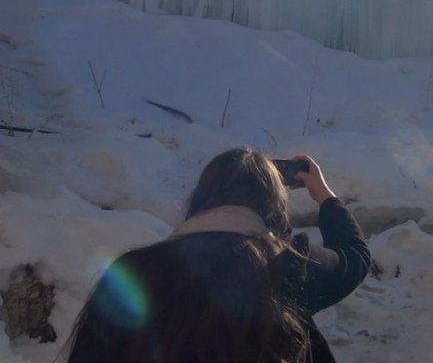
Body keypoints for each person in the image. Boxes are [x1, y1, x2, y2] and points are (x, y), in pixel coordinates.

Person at [65, 147, 370, 362]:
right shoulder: (285, 264)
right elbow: (354, 258)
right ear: (272, 208)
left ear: (201, 198)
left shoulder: (133, 270)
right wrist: (324, 194)